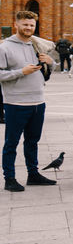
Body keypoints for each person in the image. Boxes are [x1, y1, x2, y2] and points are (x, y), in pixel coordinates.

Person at [0, 10, 57, 192]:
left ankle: (33, 174)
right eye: (25, 24)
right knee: (11, 143)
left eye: (31, 25)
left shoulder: (36, 44)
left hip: (38, 102)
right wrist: (20, 72)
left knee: (32, 141)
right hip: (16, 103)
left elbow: (47, 69)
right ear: (16, 24)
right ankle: (9, 178)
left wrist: (51, 62)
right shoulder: (5, 47)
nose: (28, 28)